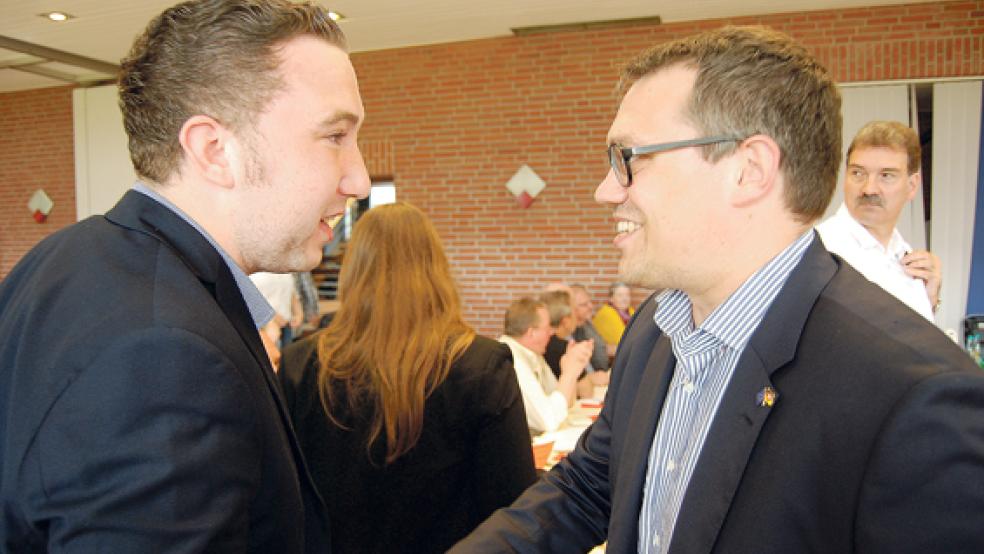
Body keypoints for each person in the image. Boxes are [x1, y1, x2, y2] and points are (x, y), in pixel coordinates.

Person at [454, 26, 984, 553]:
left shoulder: (914, 396)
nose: (605, 189)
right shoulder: (656, 330)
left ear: (749, 170)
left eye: (628, 158)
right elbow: (589, 490)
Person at [0, 0, 370, 550]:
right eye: (335, 137)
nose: (359, 180)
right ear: (215, 150)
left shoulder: (61, 258)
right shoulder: (166, 354)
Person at [278, 202, 536, 553]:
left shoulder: (300, 365)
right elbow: (513, 506)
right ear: (436, 268)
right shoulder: (480, 365)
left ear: (354, 271)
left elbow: (285, 500)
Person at [817, 120, 941, 321]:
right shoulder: (822, 250)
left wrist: (930, 299)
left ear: (912, 185)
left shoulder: (907, 258)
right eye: (858, 173)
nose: (869, 189)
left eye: (886, 175)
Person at [500, 296, 592, 434]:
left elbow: (564, 404)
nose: (552, 332)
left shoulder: (533, 354)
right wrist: (569, 374)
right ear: (531, 333)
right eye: (547, 327)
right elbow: (549, 421)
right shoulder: (511, 360)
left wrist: (571, 368)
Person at [540, 289, 609, 398]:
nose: (576, 316)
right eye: (573, 312)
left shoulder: (544, 343)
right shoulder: (562, 347)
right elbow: (586, 392)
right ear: (565, 321)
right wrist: (589, 378)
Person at [570, 283, 610, 370]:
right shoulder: (570, 333)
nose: (591, 306)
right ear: (571, 308)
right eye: (584, 304)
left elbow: (600, 347)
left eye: (590, 302)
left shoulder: (587, 324)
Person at [592, 281, 636, 355]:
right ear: (611, 299)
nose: (624, 299)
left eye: (627, 295)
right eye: (620, 295)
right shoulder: (606, 313)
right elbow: (621, 340)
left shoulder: (632, 312)